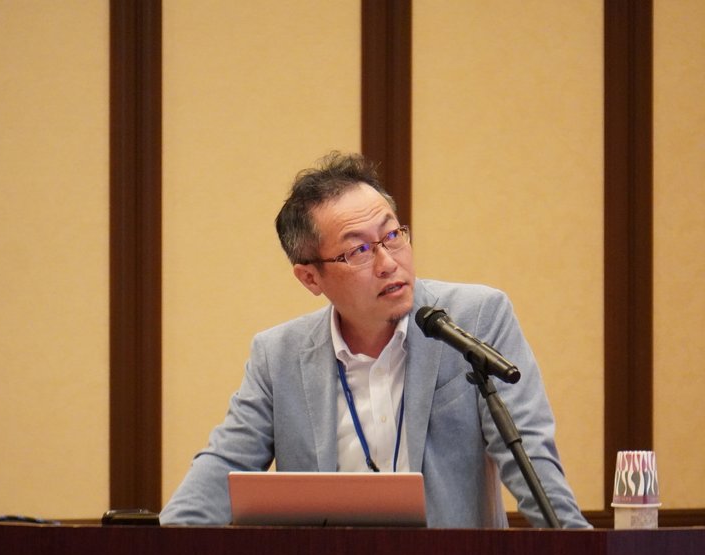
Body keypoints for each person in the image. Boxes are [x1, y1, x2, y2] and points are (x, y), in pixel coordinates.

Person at [160, 152, 589, 528]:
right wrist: (156, 549)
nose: (388, 263)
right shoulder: (279, 356)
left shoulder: (476, 317)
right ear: (310, 278)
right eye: (359, 251)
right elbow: (224, 466)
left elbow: (528, 453)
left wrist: (579, 553)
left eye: (392, 236)